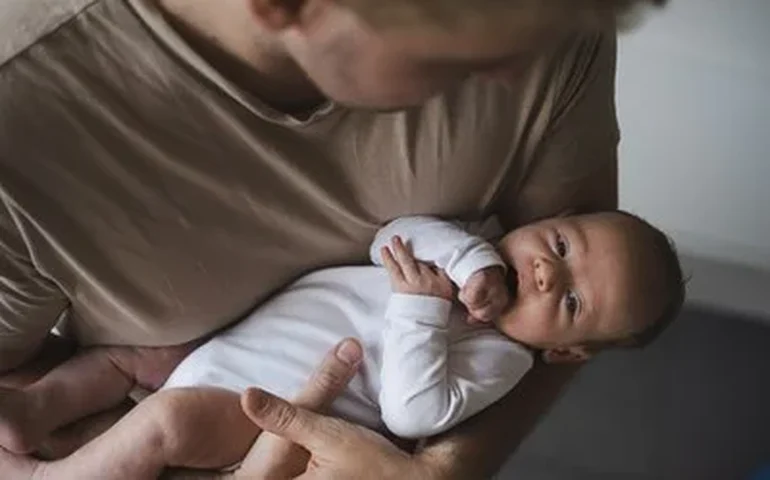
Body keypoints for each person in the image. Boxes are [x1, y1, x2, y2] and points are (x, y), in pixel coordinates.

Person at [0, 0, 668, 478]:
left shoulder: (546, 27)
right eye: (456, 44)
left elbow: (571, 309)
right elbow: (401, 240)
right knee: (134, 370)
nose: (509, 78)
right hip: (190, 386)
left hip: (251, 408)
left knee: (160, 401)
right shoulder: (24, 119)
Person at [0, 210, 684, 478]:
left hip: (249, 410)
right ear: (549, 220)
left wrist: (422, 309)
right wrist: (469, 258)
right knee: (133, 355)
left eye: (569, 300)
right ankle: (37, 412)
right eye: (560, 246)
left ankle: (55, 478)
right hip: (216, 347)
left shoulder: (502, 360)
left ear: (565, 353)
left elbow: (414, 414)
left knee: (169, 420)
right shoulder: (468, 243)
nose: (543, 270)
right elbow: (391, 234)